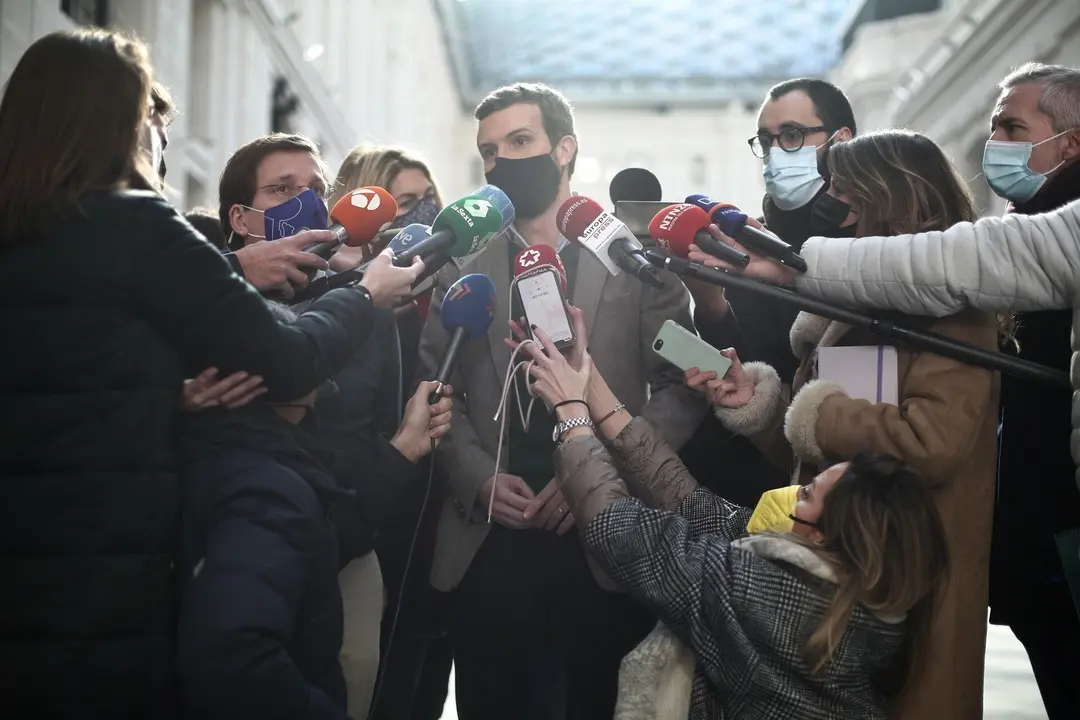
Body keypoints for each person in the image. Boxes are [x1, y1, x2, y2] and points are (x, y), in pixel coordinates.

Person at [0, 28, 424, 717]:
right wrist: (365, 296)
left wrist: (161, 389)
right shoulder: (135, 226)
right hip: (105, 578)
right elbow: (286, 360)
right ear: (118, 126)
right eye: (149, 119)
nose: (158, 139)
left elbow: (71, 366)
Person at [418, 81, 705, 718]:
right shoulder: (459, 263)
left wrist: (601, 469)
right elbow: (435, 389)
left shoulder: (631, 256)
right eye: (489, 152)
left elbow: (691, 380)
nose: (502, 162)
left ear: (565, 148)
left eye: (520, 142)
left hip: (606, 536)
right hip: (492, 539)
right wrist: (479, 478)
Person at [691, 130, 1001, 719]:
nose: (835, 206)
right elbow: (822, 464)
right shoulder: (855, 302)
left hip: (907, 580)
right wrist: (762, 405)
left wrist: (814, 410)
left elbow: (930, 443)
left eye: (845, 190)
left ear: (889, 194)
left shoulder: (952, 305)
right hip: (841, 577)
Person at [510, 316, 949, 719]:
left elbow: (622, 532)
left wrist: (571, 415)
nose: (795, 492)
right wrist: (587, 380)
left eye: (810, 494)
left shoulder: (761, 592)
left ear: (824, 537)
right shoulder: (863, 603)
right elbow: (694, 506)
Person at [176, 301, 454, 720]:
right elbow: (235, 657)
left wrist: (403, 450)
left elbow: (336, 532)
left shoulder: (235, 457)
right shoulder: (266, 492)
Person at [678, 78, 859, 507]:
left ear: (841, 141)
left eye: (793, 136)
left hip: (843, 492)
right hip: (751, 477)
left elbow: (855, 399)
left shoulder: (872, 243)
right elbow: (749, 362)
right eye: (765, 140)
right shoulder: (750, 238)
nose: (776, 151)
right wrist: (709, 304)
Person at [328, 145, 453, 720]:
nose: (424, 213)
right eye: (406, 203)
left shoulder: (449, 297)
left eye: (429, 198)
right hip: (366, 524)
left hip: (436, 527)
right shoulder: (338, 308)